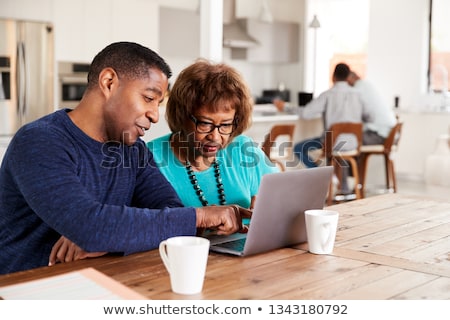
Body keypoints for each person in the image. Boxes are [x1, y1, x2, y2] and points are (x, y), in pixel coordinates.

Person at [0, 42, 248, 275]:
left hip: (101, 280)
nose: (154, 115)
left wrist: (111, 236)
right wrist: (201, 215)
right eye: (149, 98)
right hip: (28, 288)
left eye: (159, 103)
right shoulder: (39, 141)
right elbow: (91, 226)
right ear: (109, 82)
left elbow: (171, 211)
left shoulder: (133, 149)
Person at [147, 59, 279, 215]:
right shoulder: (149, 157)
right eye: (205, 124)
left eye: (225, 125)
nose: (215, 137)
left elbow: (285, 197)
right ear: (182, 116)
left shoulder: (244, 149)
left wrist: (271, 208)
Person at [347, 71, 397, 145]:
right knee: (345, 141)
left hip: (380, 135)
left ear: (350, 78)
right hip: (389, 134)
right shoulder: (366, 85)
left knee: (344, 142)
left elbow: (355, 114)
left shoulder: (358, 88)